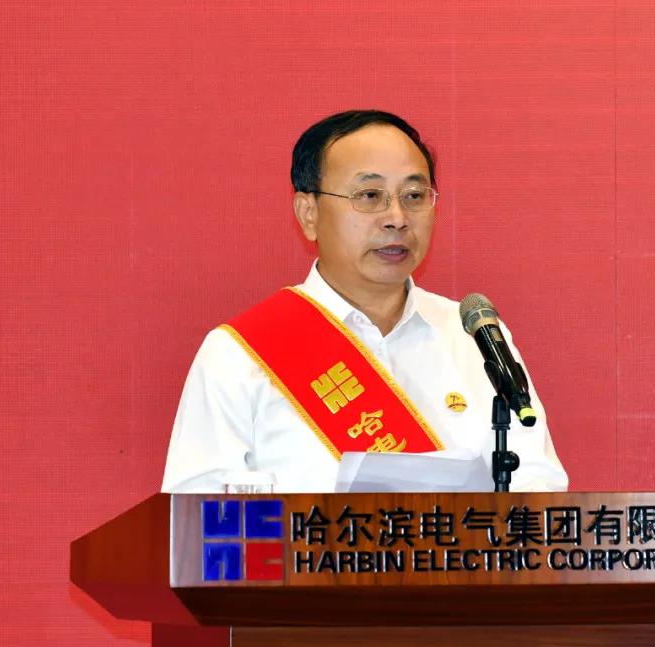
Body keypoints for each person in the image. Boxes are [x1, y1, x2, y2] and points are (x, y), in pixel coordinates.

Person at [162, 110, 567, 493]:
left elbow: (537, 491)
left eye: (414, 195)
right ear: (308, 213)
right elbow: (199, 521)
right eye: (369, 195)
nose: (397, 217)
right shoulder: (240, 354)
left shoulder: (473, 336)